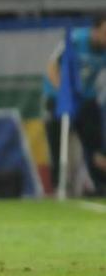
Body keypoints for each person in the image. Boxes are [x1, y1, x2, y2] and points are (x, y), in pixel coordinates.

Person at [44, 16, 106, 195]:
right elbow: (51, 67)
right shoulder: (75, 40)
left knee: (94, 145)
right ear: (95, 30)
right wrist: (63, 93)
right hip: (60, 97)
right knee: (57, 143)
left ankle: (100, 185)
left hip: (86, 97)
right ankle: (58, 187)